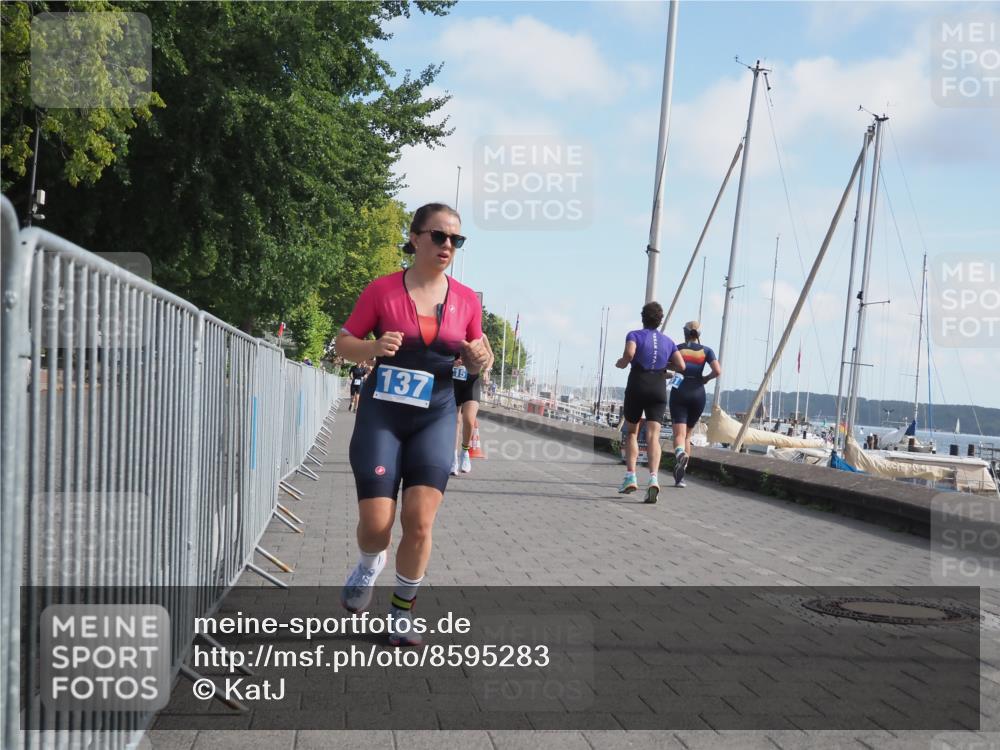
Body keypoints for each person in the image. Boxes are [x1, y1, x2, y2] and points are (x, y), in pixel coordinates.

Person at [334, 203, 489, 646]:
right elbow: (344, 344)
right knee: (377, 525)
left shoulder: (467, 299)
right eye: (439, 236)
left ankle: (402, 612)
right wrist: (373, 346)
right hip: (383, 417)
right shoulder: (381, 291)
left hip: (436, 416)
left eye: (456, 240)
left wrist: (480, 358)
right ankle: (368, 563)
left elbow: (481, 353)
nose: (447, 246)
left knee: (420, 522)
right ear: (416, 237)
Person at [615, 302, 686, 503]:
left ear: (643, 317)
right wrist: (665, 364)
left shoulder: (634, 335)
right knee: (654, 437)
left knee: (632, 432)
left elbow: (629, 353)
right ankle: (654, 479)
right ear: (660, 319)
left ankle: (631, 476)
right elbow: (681, 365)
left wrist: (622, 362)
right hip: (658, 387)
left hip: (638, 384)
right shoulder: (668, 341)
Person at [668, 321, 721, 487]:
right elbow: (717, 371)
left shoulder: (677, 348)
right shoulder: (707, 351)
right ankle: (681, 479)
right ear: (699, 333)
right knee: (687, 436)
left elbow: (667, 365)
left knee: (678, 435)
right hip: (698, 393)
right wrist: (705, 378)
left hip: (680, 390)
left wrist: (672, 371)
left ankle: (678, 454)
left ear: (685, 332)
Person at [451, 336, 495, 474]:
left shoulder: (481, 335)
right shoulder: (455, 329)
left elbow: (491, 356)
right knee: (455, 421)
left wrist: (487, 369)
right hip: (454, 382)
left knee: (469, 420)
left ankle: (465, 453)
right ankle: (453, 458)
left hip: (472, 382)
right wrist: (453, 363)